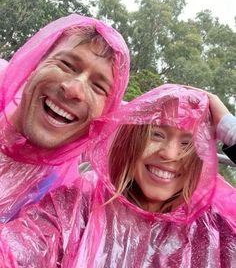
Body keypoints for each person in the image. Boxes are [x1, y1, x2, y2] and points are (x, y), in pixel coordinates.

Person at [0, 84, 235, 267]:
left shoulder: (217, 227)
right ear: (131, 141)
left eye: (188, 143)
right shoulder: (75, 206)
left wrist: (229, 127)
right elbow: (18, 249)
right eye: (156, 135)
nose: (170, 154)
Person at [0, 14, 129, 223]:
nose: (74, 90)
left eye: (98, 86)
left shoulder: (68, 202)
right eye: (66, 65)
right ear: (35, 64)